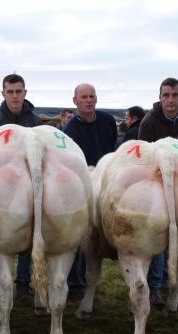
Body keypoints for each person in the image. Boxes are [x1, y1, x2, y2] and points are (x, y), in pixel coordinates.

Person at [0, 73, 43, 302]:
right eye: (10, 92)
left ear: (25, 92)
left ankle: (23, 282)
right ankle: (0, 278)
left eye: (19, 91)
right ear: (3, 93)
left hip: (28, 188)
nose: (15, 96)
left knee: (29, 233)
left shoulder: (36, 122)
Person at [138, 77, 178, 307]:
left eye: (174, 95)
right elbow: (144, 158)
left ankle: (174, 280)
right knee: (159, 232)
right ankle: (155, 286)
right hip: (157, 182)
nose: (170, 100)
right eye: (166, 95)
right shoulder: (148, 122)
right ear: (160, 97)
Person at [63, 83, 117, 300]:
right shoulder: (70, 130)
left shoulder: (107, 121)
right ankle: (75, 282)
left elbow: (112, 149)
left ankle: (89, 279)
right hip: (81, 182)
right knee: (78, 234)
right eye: (84, 97)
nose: (88, 100)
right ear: (75, 101)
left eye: (92, 96)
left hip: (105, 180)